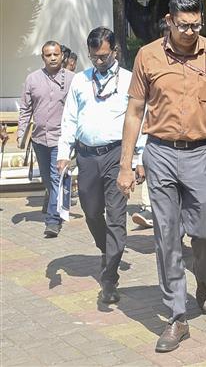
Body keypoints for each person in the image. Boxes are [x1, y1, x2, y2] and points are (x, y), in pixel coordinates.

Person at [118, 0, 206, 353]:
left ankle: (204, 278)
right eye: (183, 25)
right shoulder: (147, 56)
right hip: (161, 153)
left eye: (196, 24)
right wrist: (125, 166)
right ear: (169, 20)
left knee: (204, 233)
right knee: (166, 236)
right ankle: (177, 316)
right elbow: (134, 112)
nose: (190, 31)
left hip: (201, 155)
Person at [56, 27, 145, 305]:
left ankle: (109, 278)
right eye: (94, 57)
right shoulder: (81, 81)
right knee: (92, 211)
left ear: (115, 52)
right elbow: (69, 118)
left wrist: (137, 160)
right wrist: (63, 152)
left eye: (103, 57)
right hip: (86, 157)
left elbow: (141, 122)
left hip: (117, 156)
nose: (98, 62)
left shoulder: (130, 80)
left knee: (117, 217)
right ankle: (107, 250)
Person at [17, 41, 74, 238]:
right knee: (48, 179)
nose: (52, 58)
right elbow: (25, 109)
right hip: (39, 139)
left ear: (62, 56)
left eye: (56, 54)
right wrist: (21, 133)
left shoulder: (73, 80)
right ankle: (53, 198)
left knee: (56, 177)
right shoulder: (32, 79)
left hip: (61, 139)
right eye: (48, 55)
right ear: (43, 58)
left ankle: (52, 221)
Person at [131, 18, 168, 231]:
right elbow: (140, 112)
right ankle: (149, 210)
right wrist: (137, 156)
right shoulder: (149, 60)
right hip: (154, 139)